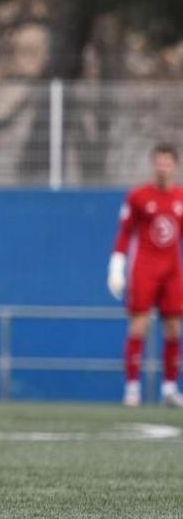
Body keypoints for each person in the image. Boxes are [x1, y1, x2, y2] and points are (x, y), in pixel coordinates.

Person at [108, 142, 183, 407]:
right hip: (145, 269)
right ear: (154, 164)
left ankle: (170, 389)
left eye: (168, 162)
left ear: (174, 165)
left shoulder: (180, 198)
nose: (163, 167)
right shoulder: (139, 196)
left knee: (174, 328)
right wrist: (117, 266)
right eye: (159, 162)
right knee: (140, 325)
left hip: (172, 271)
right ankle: (132, 389)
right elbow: (125, 232)